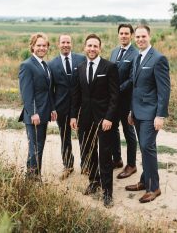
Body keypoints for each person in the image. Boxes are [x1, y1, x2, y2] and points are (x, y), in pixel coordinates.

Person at [70, 34, 119, 208]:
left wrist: (108, 118)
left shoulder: (110, 67)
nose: (92, 49)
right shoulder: (80, 68)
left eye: (95, 46)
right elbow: (76, 95)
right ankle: (94, 182)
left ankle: (107, 192)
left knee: (105, 155)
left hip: (104, 119)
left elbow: (115, 96)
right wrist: (73, 116)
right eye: (89, 45)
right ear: (85, 47)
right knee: (89, 152)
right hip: (85, 120)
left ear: (100, 48)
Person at [125, 25, 170, 203]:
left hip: (151, 114)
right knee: (144, 147)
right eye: (137, 37)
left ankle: (154, 187)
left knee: (147, 147)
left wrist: (160, 115)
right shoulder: (137, 56)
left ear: (149, 36)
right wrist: (131, 111)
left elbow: (164, 90)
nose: (140, 39)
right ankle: (144, 181)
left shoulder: (158, 59)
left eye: (143, 36)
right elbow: (135, 88)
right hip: (137, 112)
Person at [19, 33, 57, 180]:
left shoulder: (45, 65)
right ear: (32, 46)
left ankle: (33, 176)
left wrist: (52, 108)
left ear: (47, 47)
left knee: (38, 146)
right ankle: (32, 178)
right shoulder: (27, 65)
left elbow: (48, 90)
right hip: (34, 115)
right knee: (35, 148)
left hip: (44, 113)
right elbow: (27, 93)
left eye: (44, 45)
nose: (41, 48)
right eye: (38, 45)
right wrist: (33, 112)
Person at [48, 35, 85, 179]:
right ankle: (68, 165)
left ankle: (86, 165)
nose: (65, 45)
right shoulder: (51, 64)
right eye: (63, 42)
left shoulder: (81, 59)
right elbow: (50, 90)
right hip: (61, 107)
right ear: (58, 44)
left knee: (83, 136)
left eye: (68, 42)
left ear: (72, 44)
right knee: (65, 137)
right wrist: (52, 108)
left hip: (80, 106)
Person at [110, 24, 138, 178]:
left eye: (126, 33)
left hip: (127, 101)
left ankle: (131, 164)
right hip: (113, 101)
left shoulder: (135, 54)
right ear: (118, 35)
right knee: (113, 130)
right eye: (121, 33)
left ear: (131, 35)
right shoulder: (114, 52)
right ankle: (117, 159)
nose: (124, 36)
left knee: (129, 132)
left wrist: (117, 90)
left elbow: (133, 79)